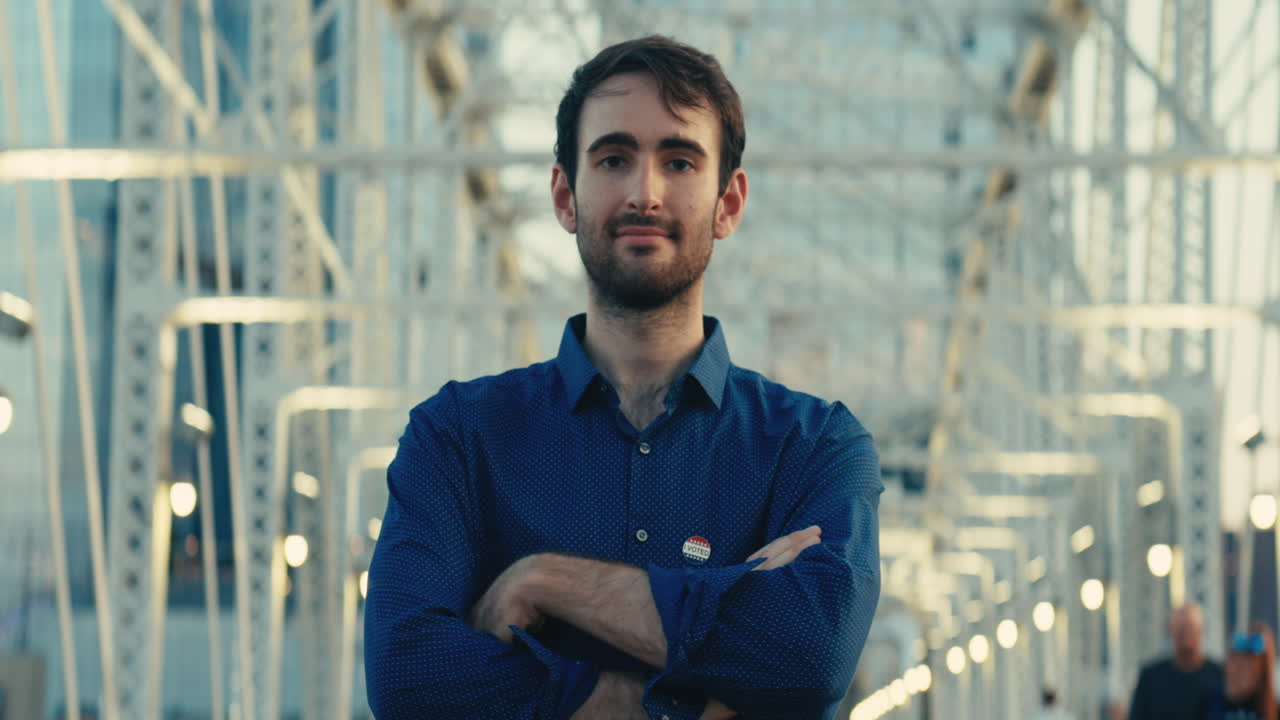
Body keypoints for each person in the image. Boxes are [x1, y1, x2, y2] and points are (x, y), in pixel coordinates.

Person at [363, 35, 882, 720]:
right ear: (564, 195)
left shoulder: (815, 446)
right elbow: (408, 676)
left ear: (729, 203)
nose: (645, 192)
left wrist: (545, 581)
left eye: (679, 160)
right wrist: (686, 691)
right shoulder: (458, 437)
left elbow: (810, 659)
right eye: (613, 158)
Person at [1128, 603, 1224, 720]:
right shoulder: (1150, 677)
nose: (1186, 633)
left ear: (1201, 629)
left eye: (1191, 627)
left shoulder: (1219, 674)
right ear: (1170, 631)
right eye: (1181, 628)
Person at [1200, 623, 1278, 720]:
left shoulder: (1271, 709)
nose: (1236, 674)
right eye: (1233, 661)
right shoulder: (1209, 703)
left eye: (1245, 671)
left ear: (1261, 674)